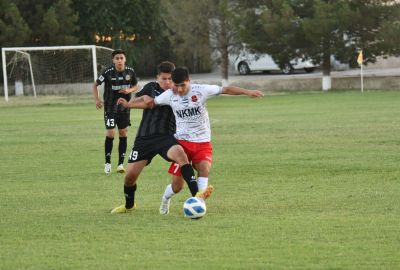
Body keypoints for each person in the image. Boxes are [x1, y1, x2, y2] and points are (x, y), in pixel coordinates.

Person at [145, 67, 264, 215]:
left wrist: (248, 92)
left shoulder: (201, 90)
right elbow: (150, 103)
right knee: (177, 187)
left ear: (189, 81)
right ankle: (165, 200)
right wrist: (129, 104)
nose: (180, 89)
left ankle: (198, 206)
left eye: (183, 85)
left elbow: (226, 89)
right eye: (177, 85)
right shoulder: (169, 95)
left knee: (204, 169)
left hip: (203, 142)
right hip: (182, 144)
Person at [111, 62, 213, 214]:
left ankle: (197, 197)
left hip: (167, 137)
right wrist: (129, 104)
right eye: (164, 79)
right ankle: (129, 205)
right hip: (144, 138)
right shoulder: (150, 87)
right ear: (157, 78)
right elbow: (144, 101)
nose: (167, 82)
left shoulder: (178, 92)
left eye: (170, 79)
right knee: (130, 177)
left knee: (182, 157)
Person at [92, 49, 138, 175]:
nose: (119, 60)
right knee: (111, 133)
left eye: (121, 58)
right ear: (113, 60)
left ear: (125, 59)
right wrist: (97, 99)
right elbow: (95, 85)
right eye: (117, 58)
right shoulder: (107, 72)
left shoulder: (130, 71)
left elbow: (135, 86)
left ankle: (120, 164)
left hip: (124, 107)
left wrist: (129, 91)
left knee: (123, 133)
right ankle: (107, 163)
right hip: (110, 107)